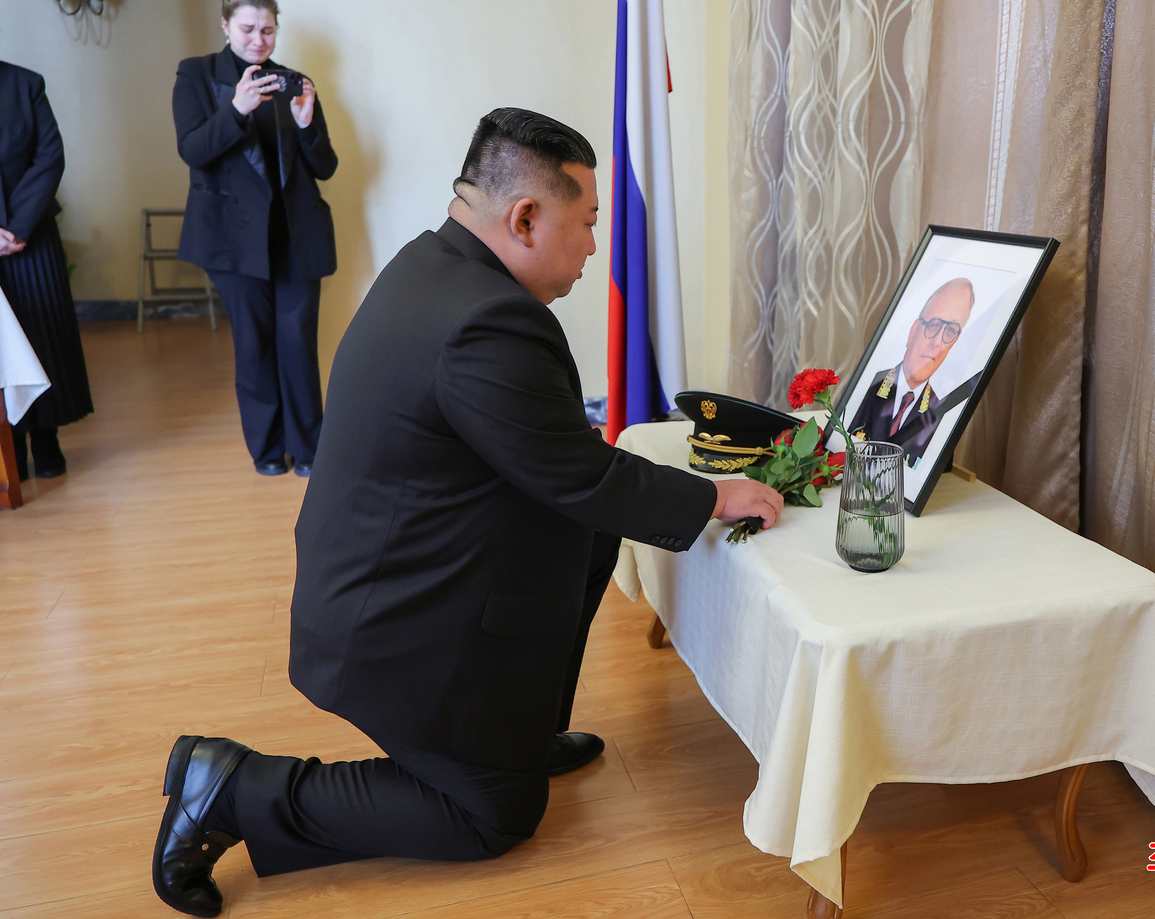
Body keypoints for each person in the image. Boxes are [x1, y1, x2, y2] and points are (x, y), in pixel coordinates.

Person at [151, 108, 783, 918]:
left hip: (399, 564)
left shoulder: (434, 263)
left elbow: (551, 461)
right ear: (524, 217)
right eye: (586, 223)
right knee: (494, 815)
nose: (595, 245)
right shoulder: (488, 320)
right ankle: (235, 787)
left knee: (590, 536)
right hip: (390, 621)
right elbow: (578, 472)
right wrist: (714, 494)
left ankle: (515, 739)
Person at [172, 0, 337, 477]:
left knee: (297, 342)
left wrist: (308, 124)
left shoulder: (294, 80)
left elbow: (325, 166)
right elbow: (193, 150)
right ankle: (267, 451)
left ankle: (309, 450)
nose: (258, 40)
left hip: (295, 235)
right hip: (232, 237)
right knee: (254, 344)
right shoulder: (196, 75)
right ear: (226, 26)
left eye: (268, 30)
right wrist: (237, 109)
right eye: (248, 28)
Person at [0, 0, 93, 478]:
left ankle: (48, 436)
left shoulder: (25, 83)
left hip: (31, 236)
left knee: (43, 335)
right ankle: (5, 446)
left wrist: (17, 225)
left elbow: (50, 156)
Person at [847, 278, 983, 465]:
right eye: (934, 324)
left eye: (951, 330)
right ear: (913, 332)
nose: (937, 341)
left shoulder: (941, 416)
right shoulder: (865, 386)